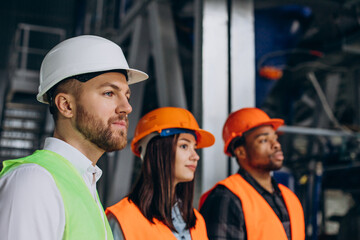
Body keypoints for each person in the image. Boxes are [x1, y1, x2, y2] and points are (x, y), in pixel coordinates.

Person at [0, 35, 148, 240]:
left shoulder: (84, 184)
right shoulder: (35, 182)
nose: (127, 107)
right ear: (66, 105)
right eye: (108, 93)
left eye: (127, 95)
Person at [106, 106, 215, 240]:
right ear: (156, 150)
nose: (195, 156)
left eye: (195, 148)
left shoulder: (197, 221)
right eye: (184, 146)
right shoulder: (122, 219)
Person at [199, 107, 305, 240]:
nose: (276, 145)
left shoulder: (290, 198)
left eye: (275, 138)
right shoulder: (226, 197)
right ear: (240, 151)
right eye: (264, 140)